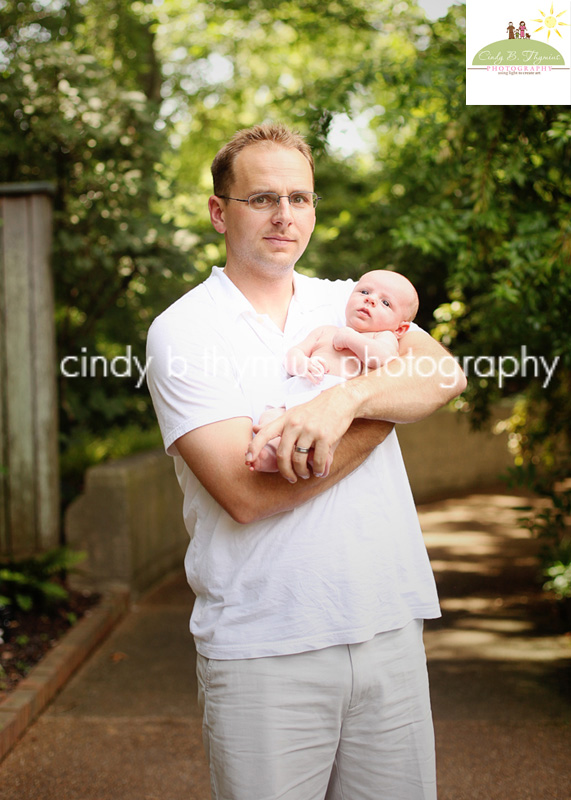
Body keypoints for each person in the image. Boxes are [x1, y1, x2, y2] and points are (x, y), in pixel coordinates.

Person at [146, 122, 467, 800]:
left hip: (388, 630)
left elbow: (442, 376)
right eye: (262, 198)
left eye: (300, 197)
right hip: (264, 649)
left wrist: (340, 402)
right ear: (218, 212)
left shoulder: (349, 299)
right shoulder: (184, 330)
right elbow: (248, 492)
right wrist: (382, 403)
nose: (285, 215)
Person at [246, 269, 419, 474]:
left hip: (334, 411)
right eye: (364, 292)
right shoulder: (325, 331)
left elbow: (384, 359)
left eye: (386, 303)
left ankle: (318, 456)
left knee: (331, 434)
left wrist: (350, 339)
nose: (370, 300)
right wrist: (302, 364)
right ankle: (271, 453)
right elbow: (293, 354)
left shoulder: (382, 338)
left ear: (399, 329)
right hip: (300, 396)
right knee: (270, 417)